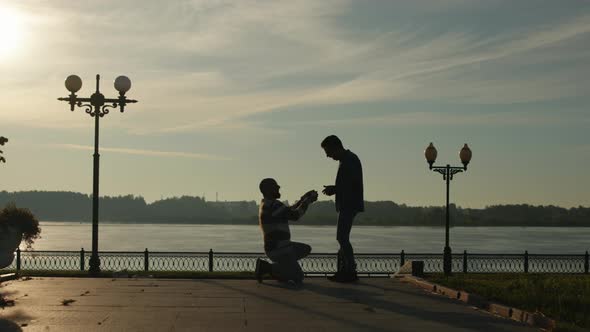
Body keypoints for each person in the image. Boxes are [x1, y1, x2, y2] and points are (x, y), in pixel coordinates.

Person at [255, 178, 318, 285]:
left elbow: (288, 210)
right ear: (268, 190)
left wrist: (302, 199)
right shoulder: (274, 205)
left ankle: (283, 269)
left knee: (305, 249)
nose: (279, 187)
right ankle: (266, 267)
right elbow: (295, 215)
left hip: (279, 247)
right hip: (279, 249)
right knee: (298, 277)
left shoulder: (268, 204)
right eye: (275, 186)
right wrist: (307, 201)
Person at [321, 135, 364, 282]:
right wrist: (335, 189)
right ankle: (345, 270)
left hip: (349, 204)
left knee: (342, 237)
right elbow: (349, 184)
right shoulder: (347, 159)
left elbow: (351, 184)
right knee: (342, 238)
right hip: (348, 203)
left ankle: (350, 271)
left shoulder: (349, 160)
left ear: (335, 147)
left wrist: (335, 189)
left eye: (328, 151)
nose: (327, 155)